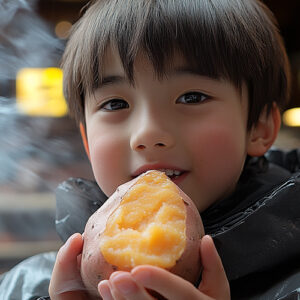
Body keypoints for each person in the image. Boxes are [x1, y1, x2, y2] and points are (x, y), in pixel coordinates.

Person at [0, 0, 299, 299]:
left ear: (259, 127)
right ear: (88, 142)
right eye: (115, 104)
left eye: (192, 97)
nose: (147, 133)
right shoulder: (25, 287)